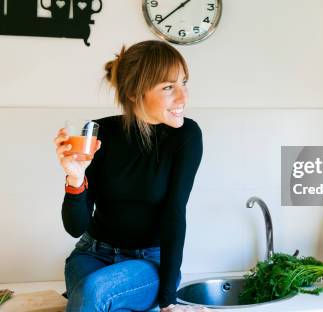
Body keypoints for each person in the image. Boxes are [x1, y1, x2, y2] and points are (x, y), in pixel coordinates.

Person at [54, 40, 208, 311]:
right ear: (137, 93)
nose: (183, 98)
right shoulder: (100, 132)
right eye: (169, 87)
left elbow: (174, 214)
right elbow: (75, 228)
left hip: (149, 264)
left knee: (93, 292)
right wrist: (75, 178)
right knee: (95, 295)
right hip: (91, 255)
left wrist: (168, 301)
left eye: (184, 83)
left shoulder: (186, 136)